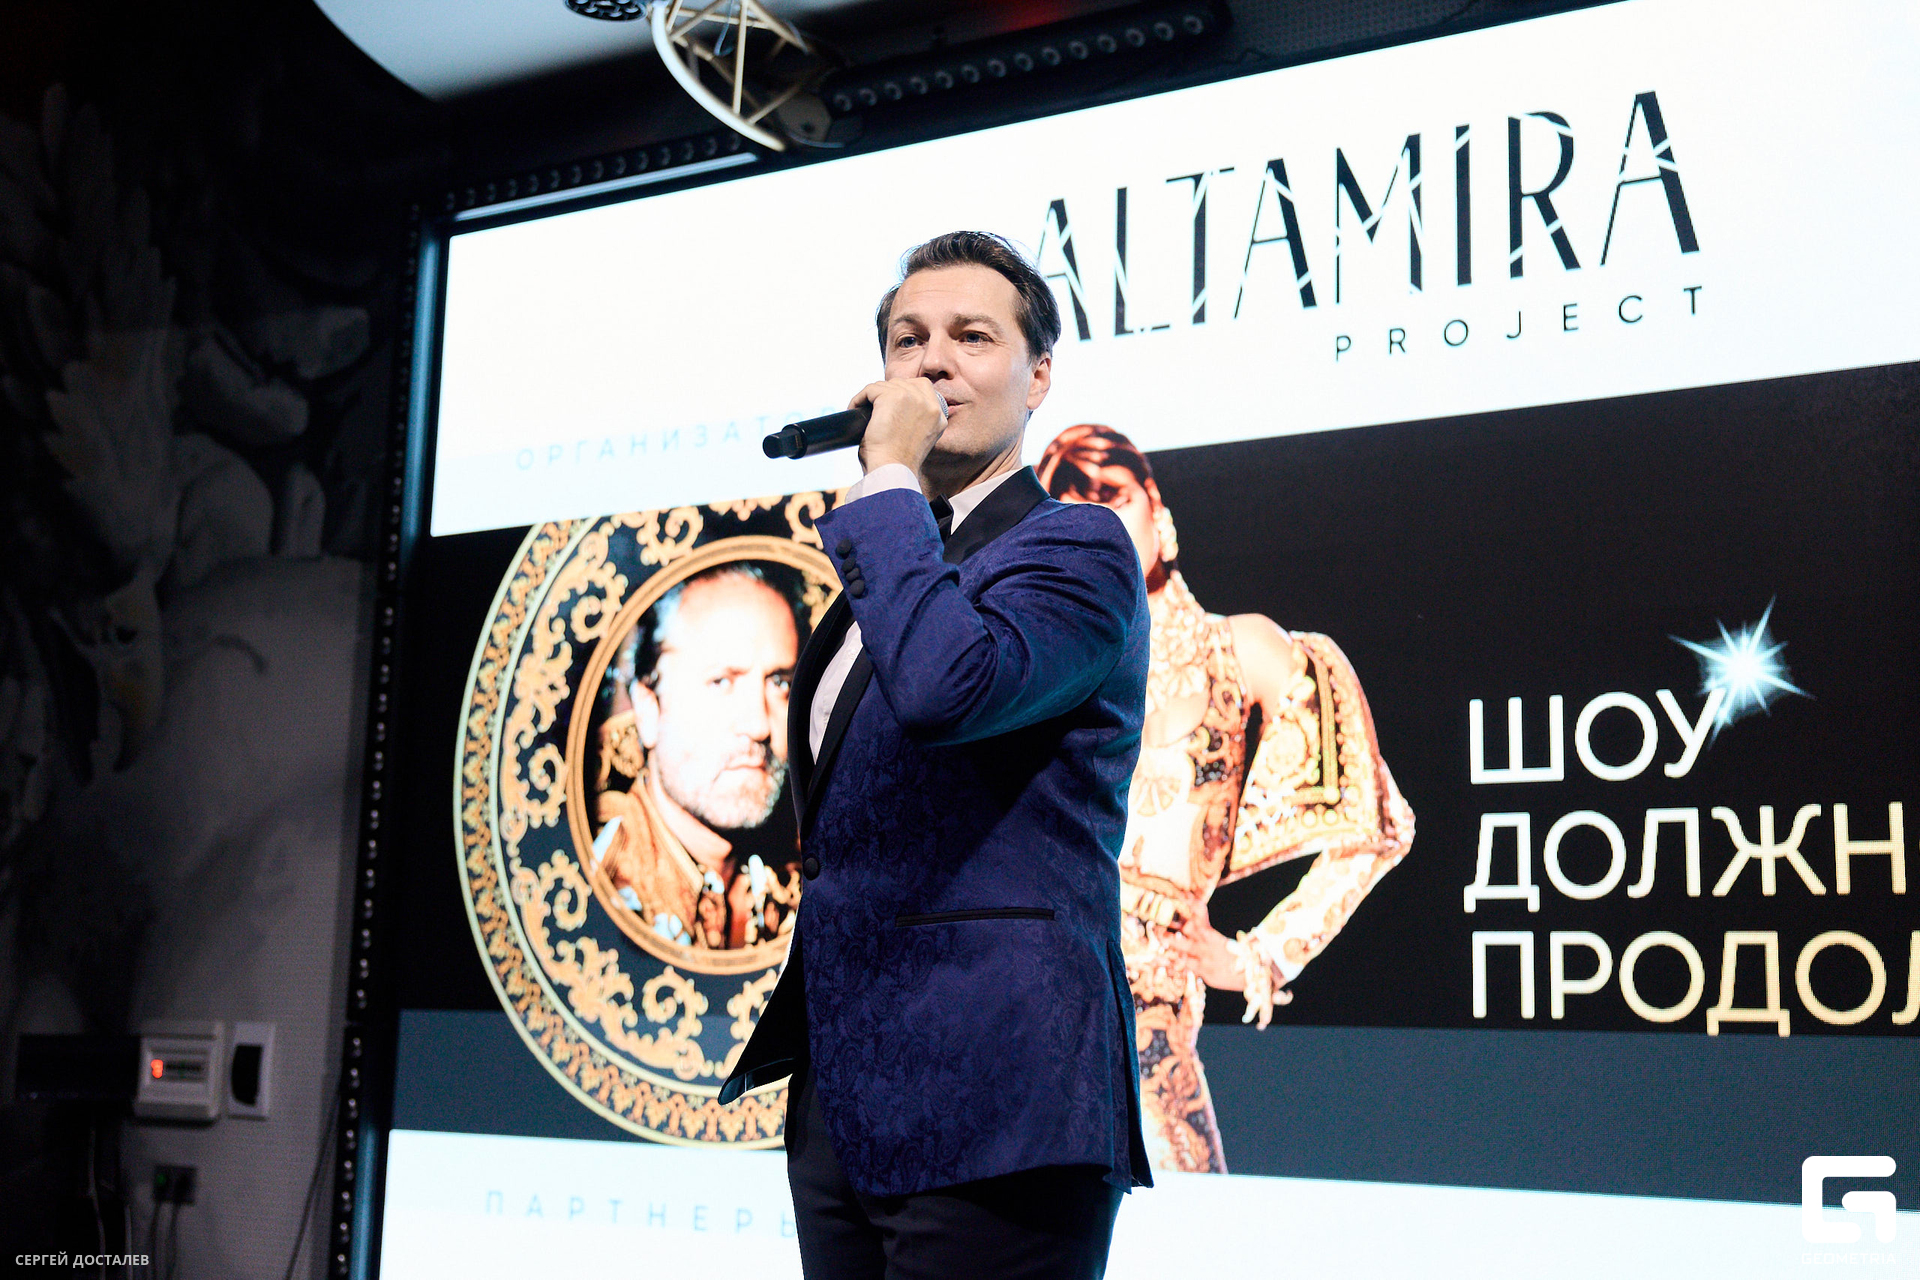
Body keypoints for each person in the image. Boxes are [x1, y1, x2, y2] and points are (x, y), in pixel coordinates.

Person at [720, 232, 1152, 1279]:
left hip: (999, 1092)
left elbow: (946, 689)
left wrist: (889, 481)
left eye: (972, 337)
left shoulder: (1077, 547)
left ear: (1038, 376)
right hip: (847, 1096)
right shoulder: (892, 569)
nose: (932, 363)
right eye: (907, 340)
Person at [1035, 424, 1415, 1174]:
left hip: (1151, 1011)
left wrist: (1256, 959)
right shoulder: (1041, 668)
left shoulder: (1243, 649)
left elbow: (1376, 829)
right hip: (1024, 993)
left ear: (1157, 510)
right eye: (1073, 517)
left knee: (1184, 1215)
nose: (1099, 530)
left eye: (1113, 500)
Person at [590, 562, 805, 951]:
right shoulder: (595, 884)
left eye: (778, 683)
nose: (759, 725)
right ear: (648, 711)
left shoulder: (810, 868)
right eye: (721, 681)